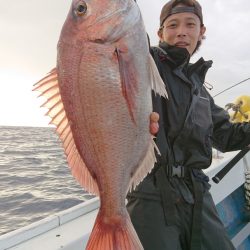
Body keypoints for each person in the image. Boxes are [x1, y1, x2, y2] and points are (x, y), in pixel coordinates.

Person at [128, 0, 250, 249]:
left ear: (201, 31)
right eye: (173, 25)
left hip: (196, 193)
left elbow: (227, 137)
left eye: (190, 24)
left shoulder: (200, 91)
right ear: (160, 33)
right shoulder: (142, 63)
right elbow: (122, 38)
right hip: (150, 194)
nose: (181, 31)